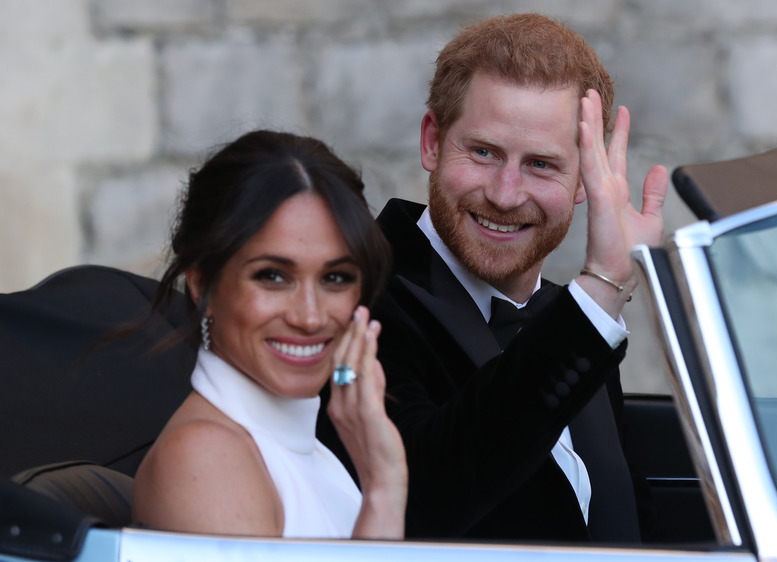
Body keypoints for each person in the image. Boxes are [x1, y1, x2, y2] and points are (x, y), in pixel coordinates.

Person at [318, 13, 668, 542]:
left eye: (542, 165)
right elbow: (420, 498)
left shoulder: (567, 316)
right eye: (483, 152)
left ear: (583, 180)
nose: (505, 194)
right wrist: (601, 289)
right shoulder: (355, 294)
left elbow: (619, 517)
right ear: (433, 142)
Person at [132, 130, 407, 539]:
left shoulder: (309, 451)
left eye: (335, 277)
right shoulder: (205, 458)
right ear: (201, 282)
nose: (310, 317)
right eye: (273, 276)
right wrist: (384, 491)